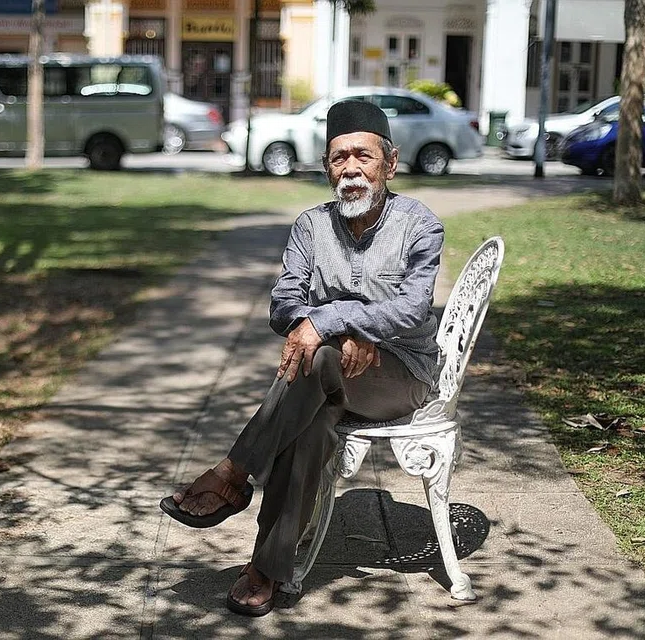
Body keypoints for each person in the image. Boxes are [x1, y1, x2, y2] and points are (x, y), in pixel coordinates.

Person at [159, 100, 445, 617]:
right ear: (326, 167)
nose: (351, 168)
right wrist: (321, 327)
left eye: (363, 156)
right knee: (309, 426)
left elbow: (410, 310)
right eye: (339, 158)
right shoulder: (311, 226)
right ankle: (266, 569)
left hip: (401, 375)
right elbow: (285, 301)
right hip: (327, 376)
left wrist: (333, 323)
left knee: (317, 359)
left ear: (390, 163)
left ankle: (231, 474)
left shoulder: (419, 225)